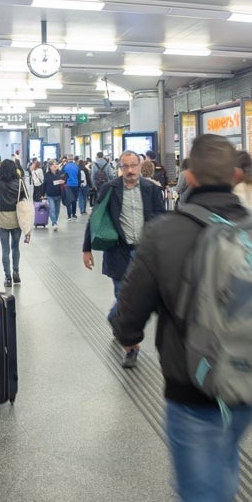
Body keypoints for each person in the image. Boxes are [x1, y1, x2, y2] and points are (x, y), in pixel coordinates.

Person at [112, 133, 252, 502]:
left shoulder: (164, 232)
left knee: (197, 496)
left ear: (189, 177)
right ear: (234, 176)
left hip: (191, 384)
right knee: (225, 451)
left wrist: (127, 335)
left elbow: (129, 314)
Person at [81, 149, 166, 365]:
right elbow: (95, 218)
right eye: (125, 166)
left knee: (137, 299)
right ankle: (131, 348)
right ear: (119, 168)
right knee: (123, 296)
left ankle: (115, 319)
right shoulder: (110, 189)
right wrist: (87, 249)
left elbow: (161, 218)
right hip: (118, 251)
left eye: (133, 166)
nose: (129, 170)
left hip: (144, 252)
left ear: (140, 165)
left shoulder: (151, 189)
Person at [0, 159, 28, 286]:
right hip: (17, 218)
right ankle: (16, 273)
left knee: (5, 249)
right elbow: (25, 199)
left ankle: (7, 278)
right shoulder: (19, 183)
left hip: (2, 218)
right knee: (15, 247)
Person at [44, 160, 66, 230]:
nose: (55, 166)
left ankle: (55, 221)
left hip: (58, 194)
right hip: (50, 194)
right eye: (53, 165)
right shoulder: (47, 175)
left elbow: (65, 178)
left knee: (57, 210)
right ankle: (54, 223)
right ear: (50, 167)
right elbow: (44, 184)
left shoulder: (60, 173)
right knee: (52, 209)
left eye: (56, 164)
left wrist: (63, 181)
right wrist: (42, 194)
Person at [61, 155, 80, 220]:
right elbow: (79, 176)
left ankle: (69, 216)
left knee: (68, 200)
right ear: (73, 159)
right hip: (75, 185)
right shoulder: (77, 166)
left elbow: (62, 176)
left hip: (68, 185)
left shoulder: (65, 166)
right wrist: (79, 185)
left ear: (67, 159)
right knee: (74, 200)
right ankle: (74, 214)